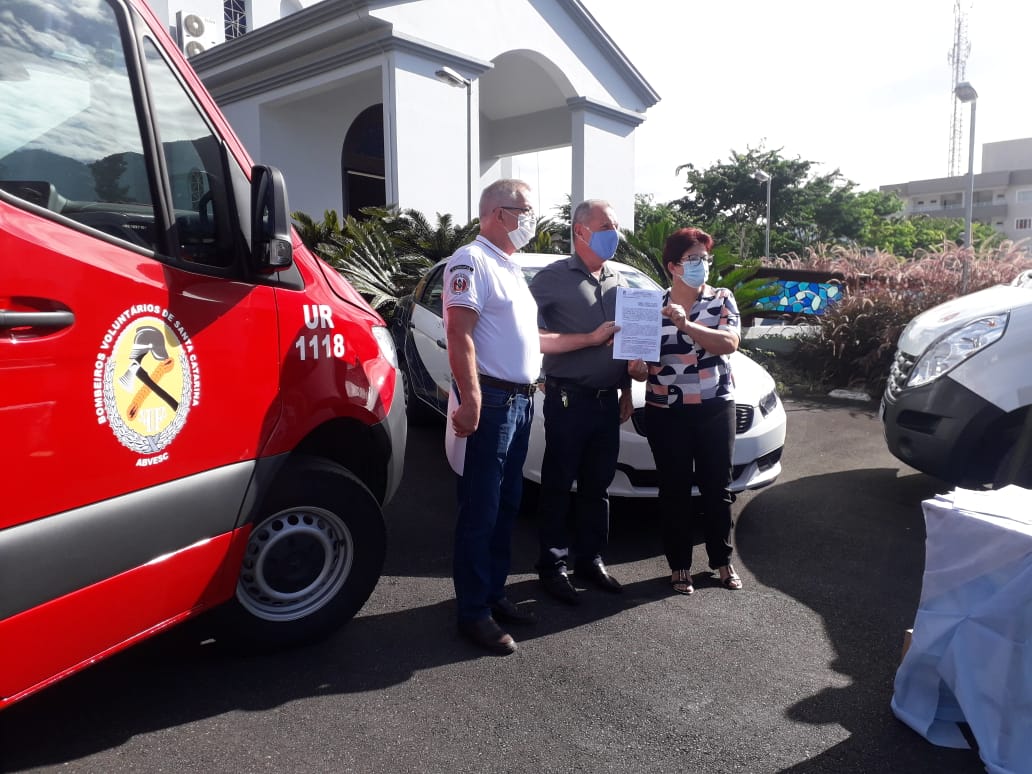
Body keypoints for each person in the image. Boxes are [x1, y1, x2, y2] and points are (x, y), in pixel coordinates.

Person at [443, 178, 541, 655]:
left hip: (521, 402)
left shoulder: (511, 267)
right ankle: (473, 612)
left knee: (506, 506)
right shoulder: (471, 260)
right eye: (523, 209)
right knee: (480, 508)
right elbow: (459, 333)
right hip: (494, 402)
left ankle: (493, 593)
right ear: (496, 214)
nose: (530, 218)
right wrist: (471, 398)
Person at [529, 199, 634, 605]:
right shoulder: (552, 279)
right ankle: (552, 567)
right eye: (606, 225)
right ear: (580, 231)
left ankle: (589, 559)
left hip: (608, 403)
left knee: (597, 486)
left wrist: (627, 387)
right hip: (568, 400)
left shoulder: (618, 281)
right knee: (558, 485)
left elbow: (627, 344)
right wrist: (586, 340)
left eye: (616, 224)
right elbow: (527, 334)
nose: (615, 232)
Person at [628, 227, 743, 596]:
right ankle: (679, 566)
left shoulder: (721, 298)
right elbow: (638, 359)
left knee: (717, 488)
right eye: (692, 259)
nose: (701, 265)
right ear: (672, 267)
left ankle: (722, 561)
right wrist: (636, 368)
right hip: (667, 411)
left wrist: (685, 324)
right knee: (674, 490)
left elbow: (729, 342)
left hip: (714, 408)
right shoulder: (649, 307)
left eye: (704, 259)